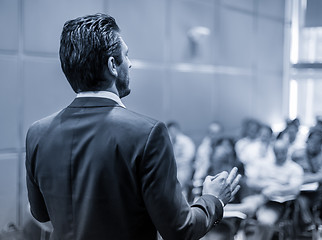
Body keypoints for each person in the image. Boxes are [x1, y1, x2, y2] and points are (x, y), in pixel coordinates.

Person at [25, 13, 241, 240]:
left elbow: (41, 214)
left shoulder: (37, 133)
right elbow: (180, 230)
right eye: (126, 55)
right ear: (112, 66)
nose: (130, 63)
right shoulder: (147, 133)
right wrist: (212, 200)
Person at [225, 139, 304, 240]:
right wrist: (267, 185)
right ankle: (222, 208)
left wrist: (276, 189)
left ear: (287, 151)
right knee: (248, 206)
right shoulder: (265, 165)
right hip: (261, 197)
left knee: (264, 221)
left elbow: (295, 189)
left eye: (282, 152)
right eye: (277, 152)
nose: (279, 156)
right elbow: (251, 182)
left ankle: (219, 207)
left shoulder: (294, 168)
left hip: (278, 204)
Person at [166, 121, 196, 199]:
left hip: (184, 168)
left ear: (177, 130)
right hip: (172, 169)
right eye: (169, 131)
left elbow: (189, 157)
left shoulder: (186, 141)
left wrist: (177, 162)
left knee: (181, 187)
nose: (172, 132)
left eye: (173, 130)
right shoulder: (169, 141)